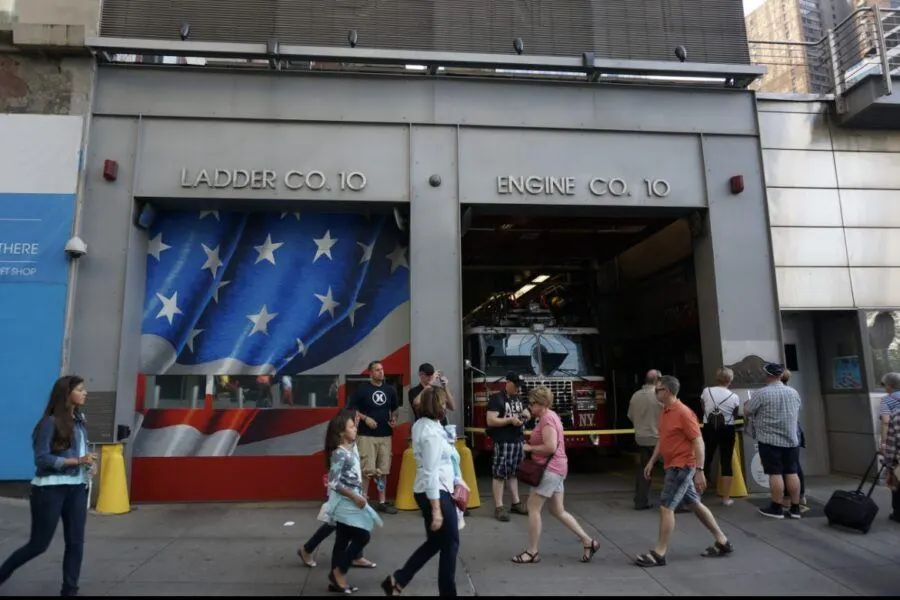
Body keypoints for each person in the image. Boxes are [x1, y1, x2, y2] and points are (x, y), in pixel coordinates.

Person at [0, 376, 96, 597]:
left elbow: (80, 454)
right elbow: (42, 458)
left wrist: (89, 464)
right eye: (80, 389)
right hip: (50, 490)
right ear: (67, 394)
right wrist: (75, 462)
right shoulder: (50, 422)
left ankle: (70, 591)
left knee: (76, 543)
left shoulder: (80, 421)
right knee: (38, 545)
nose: (85, 393)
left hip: (77, 489)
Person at [634, 375, 734, 567]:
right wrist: (652, 461)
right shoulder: (665, 412)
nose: (655, 393)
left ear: (669, 391)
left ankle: (659, 553)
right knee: (695, 504)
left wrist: (699, 470)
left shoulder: (683, 413)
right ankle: (723, 541)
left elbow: (698, 441)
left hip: (682, 466)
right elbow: (663, 439)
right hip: (673, 465)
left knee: (666, 506)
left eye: (658, 390)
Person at [381, 386, 464, 597]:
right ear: (437, 405)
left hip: (433, 490)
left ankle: (397, 581)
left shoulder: (425, 425)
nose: (446, 405)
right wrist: (436, 509)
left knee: (436, 542)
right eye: (443, 402)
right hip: (436, 491)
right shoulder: (430, 434)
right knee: (451, 543)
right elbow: (430, 472)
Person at [511, 386, 600, 565]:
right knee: (557, 510)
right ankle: (588, 542)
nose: (530, 407)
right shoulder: (549, 417)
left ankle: (532, 551)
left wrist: (529, 447)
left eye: (533, 404)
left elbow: (550, 447)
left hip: (549, 469)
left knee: (533, 508)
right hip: (557, 468)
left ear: (542, 404)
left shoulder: (547, 419)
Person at [319, 410, 383, 594]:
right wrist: (355, 496)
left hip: (350, 501)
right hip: (345, 503)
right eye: (352, 427)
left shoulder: (349, 449)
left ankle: (336, 581)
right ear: (341, 432)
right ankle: (338, 572)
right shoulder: (340, 453)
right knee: (363, 536)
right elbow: (334, 482)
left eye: (355, 426)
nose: (356, 429)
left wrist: (366, 478)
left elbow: (350, 472)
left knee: (342, 540)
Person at [744, 362, 802, 520]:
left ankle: (776, 507)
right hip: (791, 439)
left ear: (768, 375)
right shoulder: (793, 392)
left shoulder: (761, 393)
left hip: (769, 439)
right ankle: (795, 507)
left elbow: (748, 411)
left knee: (775, 473)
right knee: (792, 471)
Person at [348, 360, 399, 514]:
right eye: (377, 370)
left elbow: (394, 409)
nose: (381, 372)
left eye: (382, 369)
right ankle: (363, 500)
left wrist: (394, 418)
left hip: (385, 435)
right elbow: (352, 410)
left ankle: (382, 502)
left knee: (383, 470)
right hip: (366, 436)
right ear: (370, 372)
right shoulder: (362, 390)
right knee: (367, 470)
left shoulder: (390, 390)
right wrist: (365, 419)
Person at [486, 371, 530, 522]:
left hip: (517, 440)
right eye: (516, 385)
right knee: (499, 474)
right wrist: (510, 420)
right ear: (508, 382)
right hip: (503, 440)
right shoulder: (496, 398)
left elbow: (526, 411)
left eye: (519, 386)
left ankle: (515, 503)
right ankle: (499, 507)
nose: (518, 389)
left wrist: (524, 417)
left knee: (513, 473)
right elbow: (490, 420)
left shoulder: (518, 398)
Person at [699, 367, 741, 507]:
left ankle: (697, 494)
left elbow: (703, 407)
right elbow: (735, 415)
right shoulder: (734, 397)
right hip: (727, 428)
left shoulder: (706, 391)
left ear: (717, 378)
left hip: (709, 427)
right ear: (730, 380)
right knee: (726, 461)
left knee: (705, 458)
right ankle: (726, 497)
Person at [627, 369, 663, 510]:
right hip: (657, 439)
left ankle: (640, 501)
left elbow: (630, 415)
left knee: (644, 470)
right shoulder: (659, 396)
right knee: (672, 469)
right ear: (657, 380)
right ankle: (676, 502)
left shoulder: (635, 396)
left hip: (641, 438)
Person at [780, 369, 807, 506]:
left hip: (781, 434)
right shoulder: (794, 392)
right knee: (795, 464)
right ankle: (801, 495)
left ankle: (786, 498)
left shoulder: (774, 392)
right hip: (795, 431)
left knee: (783, 467)